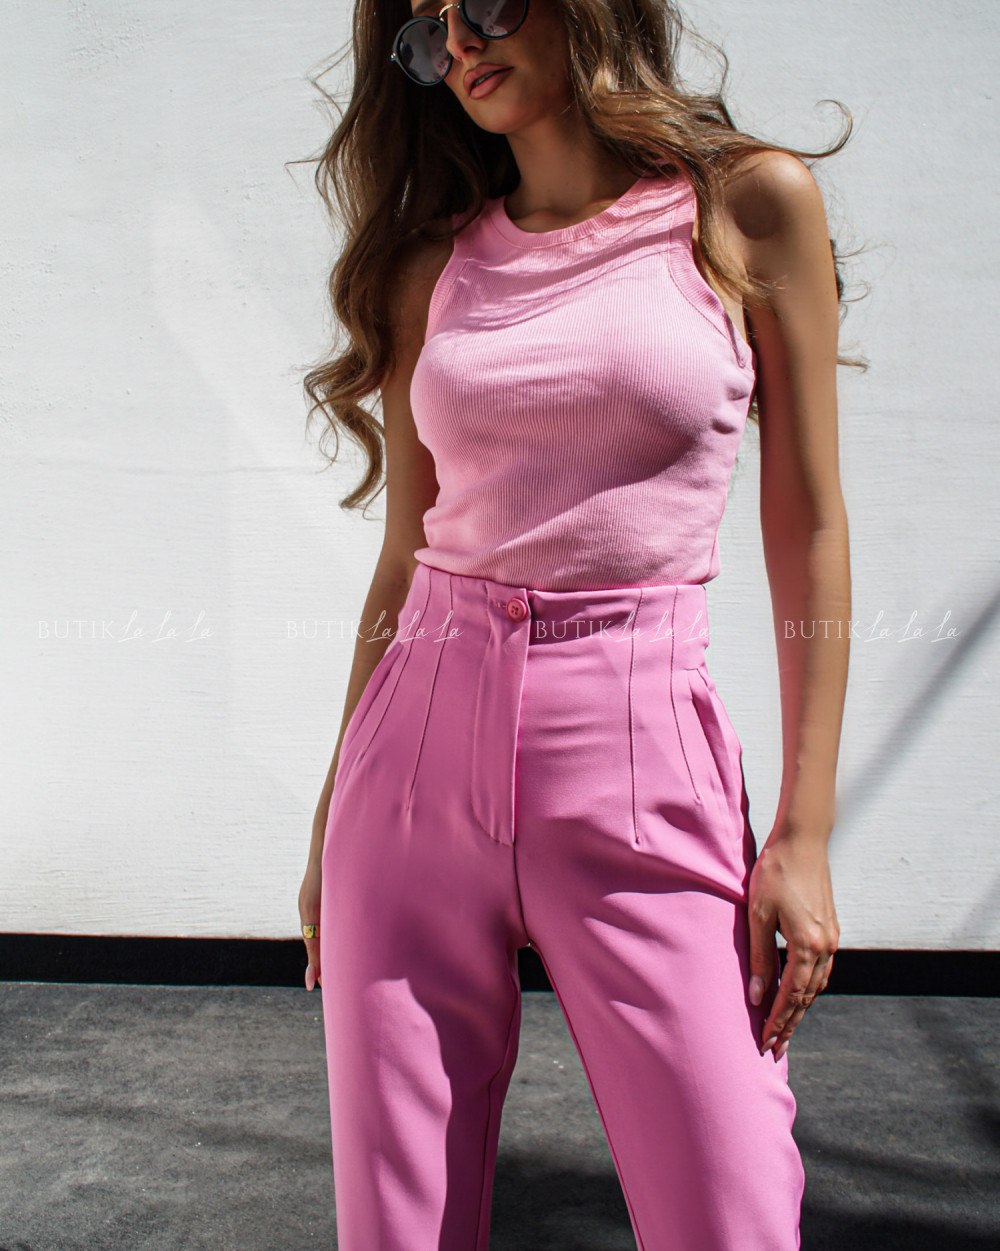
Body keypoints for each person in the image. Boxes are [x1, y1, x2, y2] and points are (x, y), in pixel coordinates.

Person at [297, 0, 852, 1246]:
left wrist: (803, 832)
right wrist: (334, 806)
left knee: (728, 1211)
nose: (460, 42)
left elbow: (810, 525)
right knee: (398, 1227)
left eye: (486, 3)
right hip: (411, 767)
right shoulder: (430, 266)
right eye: (424, 33)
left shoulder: (746, 206)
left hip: (639, 752)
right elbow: (403, 556)